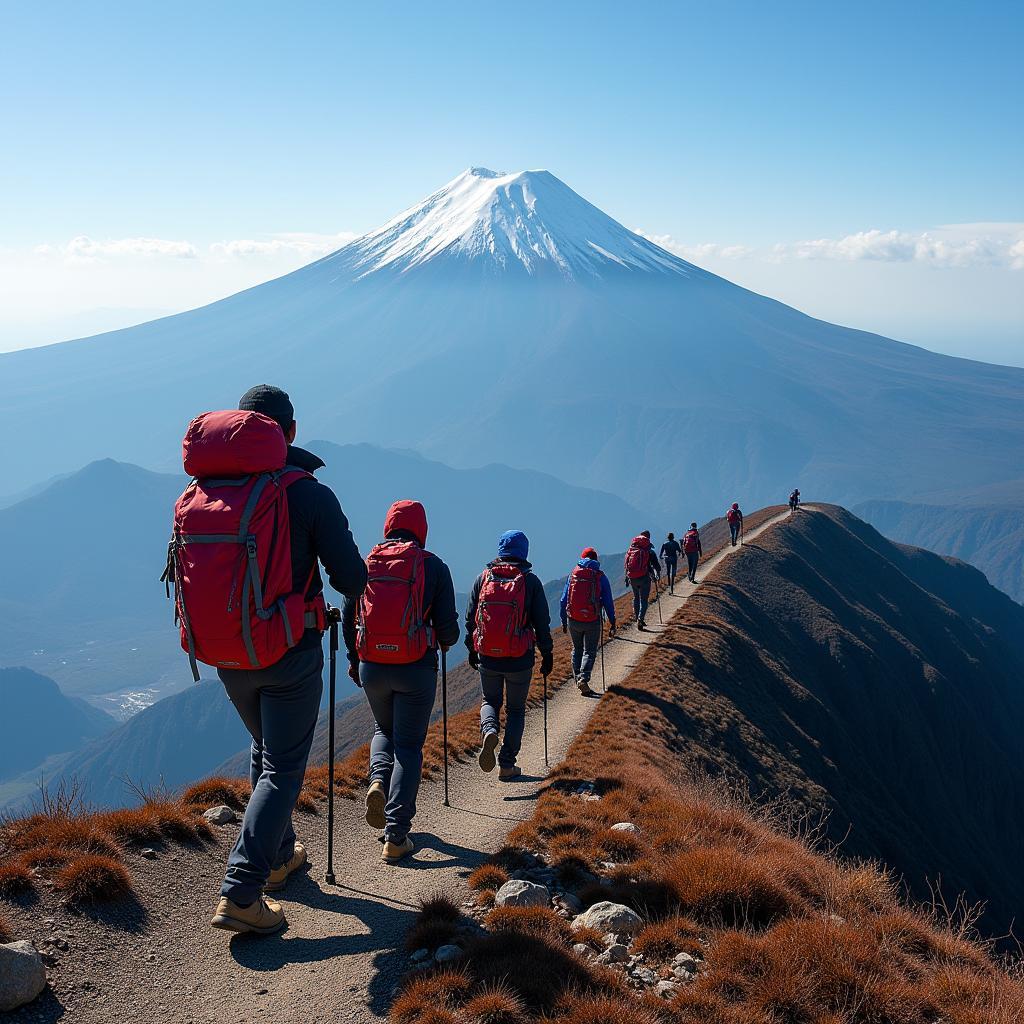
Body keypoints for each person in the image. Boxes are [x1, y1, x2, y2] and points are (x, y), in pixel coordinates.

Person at [192, 385, 367, 936]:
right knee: (283, 768)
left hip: (225, 652)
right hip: (289, 652)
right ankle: (242, 891)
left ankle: (280, 857)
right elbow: (352, 578)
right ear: (289, 432)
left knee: (265, 750)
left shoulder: (206, 490)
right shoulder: (308, 493)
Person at [342, 500, 458, 863]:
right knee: (408, 746)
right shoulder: (434, 567)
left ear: (388, 526)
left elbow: (349, 616)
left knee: (384, 730)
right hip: (415, 667)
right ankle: (395, 834)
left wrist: (353, 659)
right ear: (421, 529)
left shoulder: (366, 564)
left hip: (372, 666)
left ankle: (378, 779)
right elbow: (449, 633)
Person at [466, 531, 553, 781]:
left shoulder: (483, 578)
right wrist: (546, 654)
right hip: (519, 658)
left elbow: (471, 617)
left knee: (489, 702)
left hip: (488, 657)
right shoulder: (530, 581)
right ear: (524, 552)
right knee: (515, 710)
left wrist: (472, 648)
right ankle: (506, 765)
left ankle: (489, 730)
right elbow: (542, 622)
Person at [559, 547, 616, 697]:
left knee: (577, 649)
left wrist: (564, 621)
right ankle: (583, 679)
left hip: (573, 619)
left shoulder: (573, 574)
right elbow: (608, 601)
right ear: (596, 560)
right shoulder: (599, 576)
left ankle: (578, 678)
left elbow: (563, 599)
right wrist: (613, 621)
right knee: (589, 651)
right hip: (592, 619)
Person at [624, 530, 661, 630]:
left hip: (632, 577)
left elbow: (627, 565)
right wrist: (657, 574)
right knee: (644, 599)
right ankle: (640, 619)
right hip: (644, 577)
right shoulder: (649, 551)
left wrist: (626, 578)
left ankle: (637, 618)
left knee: (636, 597)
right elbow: (656, 565)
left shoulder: (631, 549)